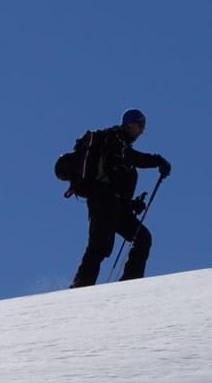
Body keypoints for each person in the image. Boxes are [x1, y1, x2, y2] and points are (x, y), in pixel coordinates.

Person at [68, 108, 172, 287]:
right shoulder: (115, 138)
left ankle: (129, 284)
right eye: (141, 126)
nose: (141, 131)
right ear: (130, 124)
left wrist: (130, 204)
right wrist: (157, 160)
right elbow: (130, 159)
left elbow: (117, 176)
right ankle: (80, 288)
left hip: (115, 205)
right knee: (99, 247)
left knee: (142, 238)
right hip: (102, 201)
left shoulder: (120, 145)